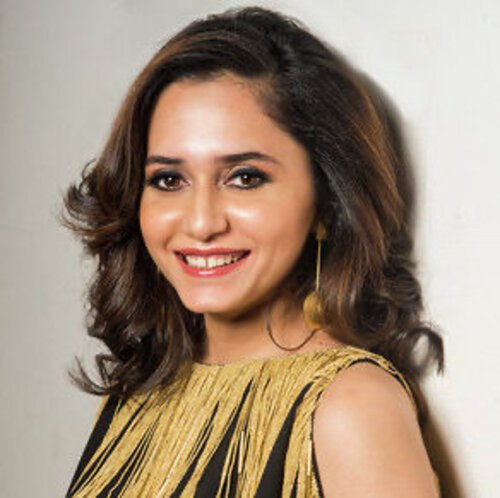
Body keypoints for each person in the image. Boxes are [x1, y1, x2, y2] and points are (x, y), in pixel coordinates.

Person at [61, 6, 444, 497]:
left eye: (245, 177)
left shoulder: (350, 406)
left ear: (328, 201)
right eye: (169, 179)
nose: (201, 223)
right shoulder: (137, 394)